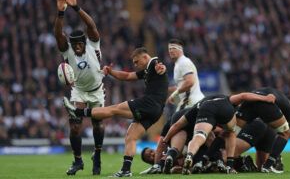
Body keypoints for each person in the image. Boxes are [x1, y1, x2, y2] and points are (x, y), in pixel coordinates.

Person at [63, 47, 169, 177]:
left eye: (137, 62)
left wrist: (162, 68)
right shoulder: (146, 70)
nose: (135, 65)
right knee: (130, 137)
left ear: (145, 57)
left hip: (149, 103)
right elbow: (128, 76)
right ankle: (126, 170)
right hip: (156, 111)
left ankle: (78, 112)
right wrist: (111, 72)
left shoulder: (154, 63)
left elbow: (161, 67)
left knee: (113, 109)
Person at [54, 0, 105, 175]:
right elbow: (58, 34)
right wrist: (61, 13)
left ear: (84, 42)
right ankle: (78, 161)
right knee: (75, 126)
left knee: (98, 124)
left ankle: (97, 154)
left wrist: (76, 8)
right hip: (79, 91)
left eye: (79, 44)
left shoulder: (93, 43)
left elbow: (91, 25)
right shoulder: (66, 50)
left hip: (97, 90)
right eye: (74, 44)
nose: (77, 47)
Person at [163, 93, 276, 175]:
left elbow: (176, 125)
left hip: (205, 109)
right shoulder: (226, 98)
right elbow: (243, 96)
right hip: (225, 108)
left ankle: (190, 155)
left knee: (200, 136)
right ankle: (230, 166)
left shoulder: (196, 108)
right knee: (231, 132)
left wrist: (165, 140)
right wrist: (264, 98)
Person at [141, 38, 205, 174]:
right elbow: (183, 84)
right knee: (194, 137)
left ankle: (160, 164)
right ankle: (195, 162)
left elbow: (190, 82)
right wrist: (169, 90)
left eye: (173, 48)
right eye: (169, 49)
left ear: (180, 49)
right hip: (189, 105)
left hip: (191, 104)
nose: (170, 51)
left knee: (168, 133)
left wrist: (174, 94)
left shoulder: (184, 62)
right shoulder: (178, 65)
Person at [236, 87, 290, 173]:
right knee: (285, 133)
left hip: (251, 100)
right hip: (261, 123)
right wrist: (275, 155)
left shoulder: (278, 97)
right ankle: (268, 165)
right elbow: (283, 134)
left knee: (231, 133)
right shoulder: (289, 110)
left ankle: (226, 160)